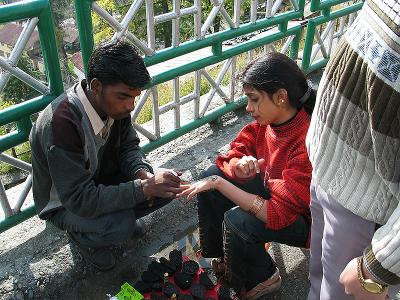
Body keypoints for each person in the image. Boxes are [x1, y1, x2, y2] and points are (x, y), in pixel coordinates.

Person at [29, 40, 182, 271]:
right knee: (120, 225)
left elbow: (129, 148)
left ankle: (116, 220)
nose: (131, 105)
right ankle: (85, 239)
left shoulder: (115, 106)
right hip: (65, 204)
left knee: (169, 185)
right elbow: (79, 198)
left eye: (135, 97)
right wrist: (142, 189)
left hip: (99, 179)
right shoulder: (62, 123)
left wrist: (143, 175)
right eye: (123, 97)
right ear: (96, 86)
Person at [178, 52, 315, 299]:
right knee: (210, 174)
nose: (249, 108)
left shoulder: (305, 141)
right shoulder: (267, 123)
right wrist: (239, 166)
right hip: (274, 195)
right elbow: (234, 152)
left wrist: (221, 183)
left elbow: (277, 213)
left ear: (281, 97)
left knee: (237, 219)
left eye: (253, 99)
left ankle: (262, 276)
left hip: (302, 221)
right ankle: (225, 257)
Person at [305, 0, 400, 298]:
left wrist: (379, 264)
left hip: (365, 205)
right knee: (318, 277)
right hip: (329, 172)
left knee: (338, 291)